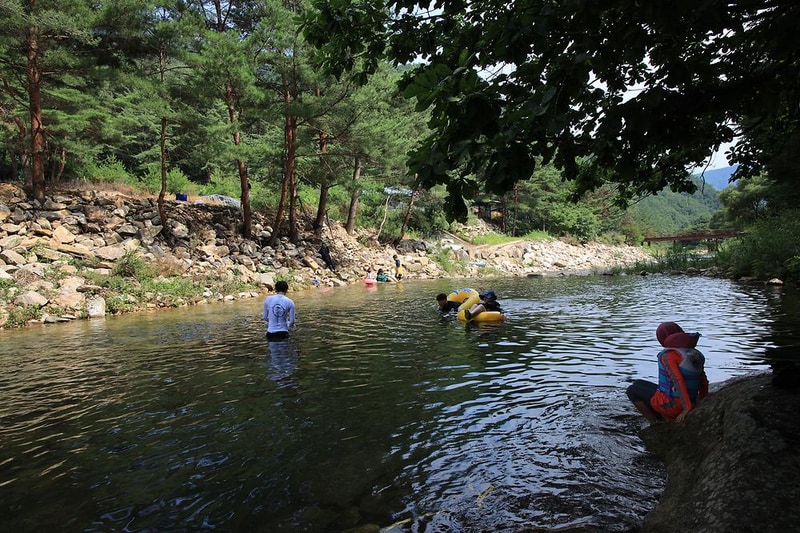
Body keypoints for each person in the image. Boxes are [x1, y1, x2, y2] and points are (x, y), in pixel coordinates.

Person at [626, 321, 709, 424]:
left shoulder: (668, 356)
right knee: (638, 383)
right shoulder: (693, 353)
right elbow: (703, 379)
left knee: (631, 391)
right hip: (691, 398)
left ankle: (655, 422)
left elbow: (678, 381)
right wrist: (703, 398)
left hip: (674, 405)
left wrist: (686, 408)